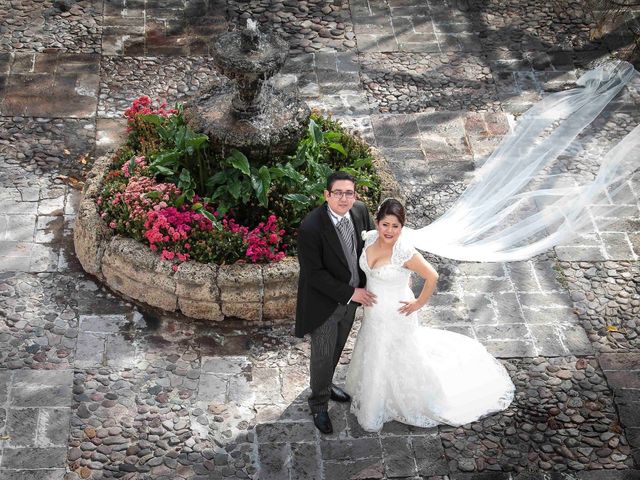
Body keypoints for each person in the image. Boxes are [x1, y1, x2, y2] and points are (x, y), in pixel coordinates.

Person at [345, 198, 515, 432]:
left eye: (395, 226)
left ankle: (399, 400)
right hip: (374, 314)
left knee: (396, 354)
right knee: (374, 350)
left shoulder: (403, 251)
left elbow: (432, 276)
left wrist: (417, 303)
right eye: (385, 224)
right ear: (378, 222)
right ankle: (374, 392)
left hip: (396, 314)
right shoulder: (371, 237)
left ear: (402, 228)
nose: (389, 231)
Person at [295, 171, 376, 434]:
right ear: (327, 195)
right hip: (325, 304)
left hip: (352, 301)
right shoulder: (311, 227)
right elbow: (314, 274)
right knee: (322, 354)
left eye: (349, 193)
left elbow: (374, 246)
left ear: (355, 195)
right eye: (338, 193)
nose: (344, 198)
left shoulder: (361, 212)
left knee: (339, 346)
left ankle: (327, 385)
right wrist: (351, 293)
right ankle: (318, 404)